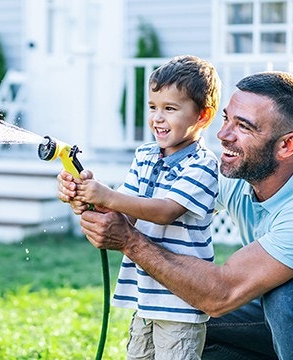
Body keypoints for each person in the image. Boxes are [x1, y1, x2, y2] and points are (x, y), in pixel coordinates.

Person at [58, 71, 293, 359]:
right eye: (227, 118)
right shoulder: (233, 175)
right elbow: (150, 207)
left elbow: (221, 293)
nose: (223, 134)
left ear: (287, 144)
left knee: (290, 298)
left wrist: (129, 242)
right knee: (186, 318)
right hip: (290, 321)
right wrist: (92, 199)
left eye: (244, 127)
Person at [71, 55, 221, 359]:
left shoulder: (203, 164)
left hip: (181, 305)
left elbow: (166, 210)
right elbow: (125, 211)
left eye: (170, 108)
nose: (157, 118)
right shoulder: (145, 155)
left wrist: (106, 196)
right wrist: (85, 196)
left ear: (202, 117)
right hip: (145, 297)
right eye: (153, 107)